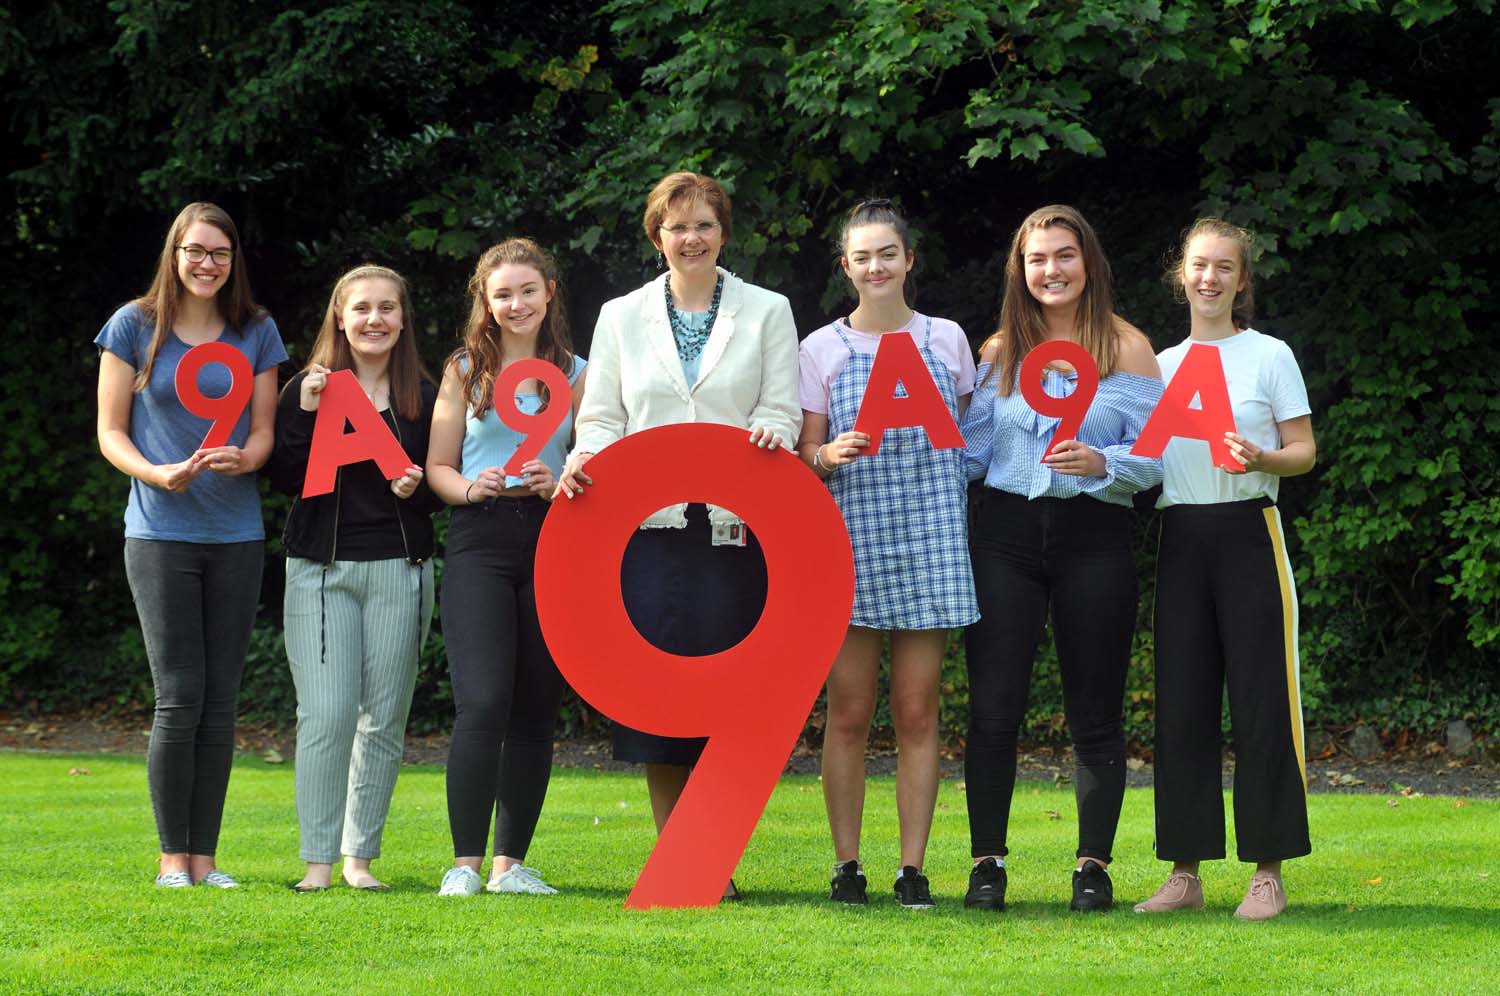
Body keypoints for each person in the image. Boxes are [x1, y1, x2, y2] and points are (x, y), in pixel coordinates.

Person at [555, 171, 801, 902]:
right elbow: (600, 419)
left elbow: (783, 412)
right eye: (675, 226)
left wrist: (771, 431)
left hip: (735, 535)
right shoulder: (620, 316)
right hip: (651, 537)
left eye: (703, 225)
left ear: (724, 233)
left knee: (730, 700)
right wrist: (580, 461)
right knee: (659, 706)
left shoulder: (768, 310)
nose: (689, 238)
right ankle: (685, 863)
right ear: (655, 235)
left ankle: (713, 856)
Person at [960, 204, 1163, 912]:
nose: (1052, 269)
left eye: (1064, 255)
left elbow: (1157, 459)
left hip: (1095, 539)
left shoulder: (1130, 349)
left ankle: (1093, 867)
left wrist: (1102, 460)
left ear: (1090, 262)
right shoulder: (996, 353)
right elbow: (976, 456)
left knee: (1096, 712)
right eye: (1037, 258)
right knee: (993, 709)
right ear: (1021, 269)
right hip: (1006, 537)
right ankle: (987, 864)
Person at [95, 202, 288, 888]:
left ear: (234, 261)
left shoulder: (256, 331)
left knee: (222, 702)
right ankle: (172, 858)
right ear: (174, 254)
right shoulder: (133, 326)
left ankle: (207, 859)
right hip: (159, 533)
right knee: (179, 696)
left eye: (221, 253)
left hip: (236, 536)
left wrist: (248, 456)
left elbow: (264, 431)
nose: (208, 263)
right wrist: (157, 472)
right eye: (196, 251)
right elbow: (110, 432)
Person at [796, 199, 977, 908]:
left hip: (929, 535)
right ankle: (847, 864)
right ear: (846, 267)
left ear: (909, 260)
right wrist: (825, 454)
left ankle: (911, 868)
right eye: (862, 256)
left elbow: (971, 435)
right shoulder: (820, 348)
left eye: (887, 254)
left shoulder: (947, 338)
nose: (876, 266)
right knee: (847, 710)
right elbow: (805, 452)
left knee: (918, 710)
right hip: (848, 541)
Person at [1133, 218, 1316, 921]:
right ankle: (1186, 870)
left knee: (1263, 701)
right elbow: (1140, 459)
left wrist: (1263, 459)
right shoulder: (1160, 365)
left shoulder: (1269, 355)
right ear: (1180, 274)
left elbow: (1302, 449)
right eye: (1199, 265)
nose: (1209, 278)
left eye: (1224, 268)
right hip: (1180, 532)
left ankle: (1267, 871)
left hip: (1248, 529)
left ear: (1242, 281)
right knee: (1181, 704)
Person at [267, 264, 440, 893]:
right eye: (362, 308)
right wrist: (309, 415)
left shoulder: (423, 395)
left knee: (384, 717)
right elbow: (286, 480)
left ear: (402, 318)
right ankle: (317, 861)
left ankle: (359, 859)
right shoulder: (305, 391)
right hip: (320, 570)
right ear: (340, 316)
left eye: (387, 308)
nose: (374, 320)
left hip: (401, 568)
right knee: (327, 713)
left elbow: (438, 486)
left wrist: (417, 486)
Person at [427, 238, 586, 897]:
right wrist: (470, 487)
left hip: (554, 537)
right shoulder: (464, 369)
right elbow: (438, 465)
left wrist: (565, 477)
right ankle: (464, 866)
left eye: (527, 290)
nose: (516, 304)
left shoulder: (583, 372)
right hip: (479, 538)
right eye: (502, 295)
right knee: (484, 701)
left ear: (550, 291)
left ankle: (509, 866)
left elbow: (599, 458)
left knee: (535, 707)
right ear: (485, 304)